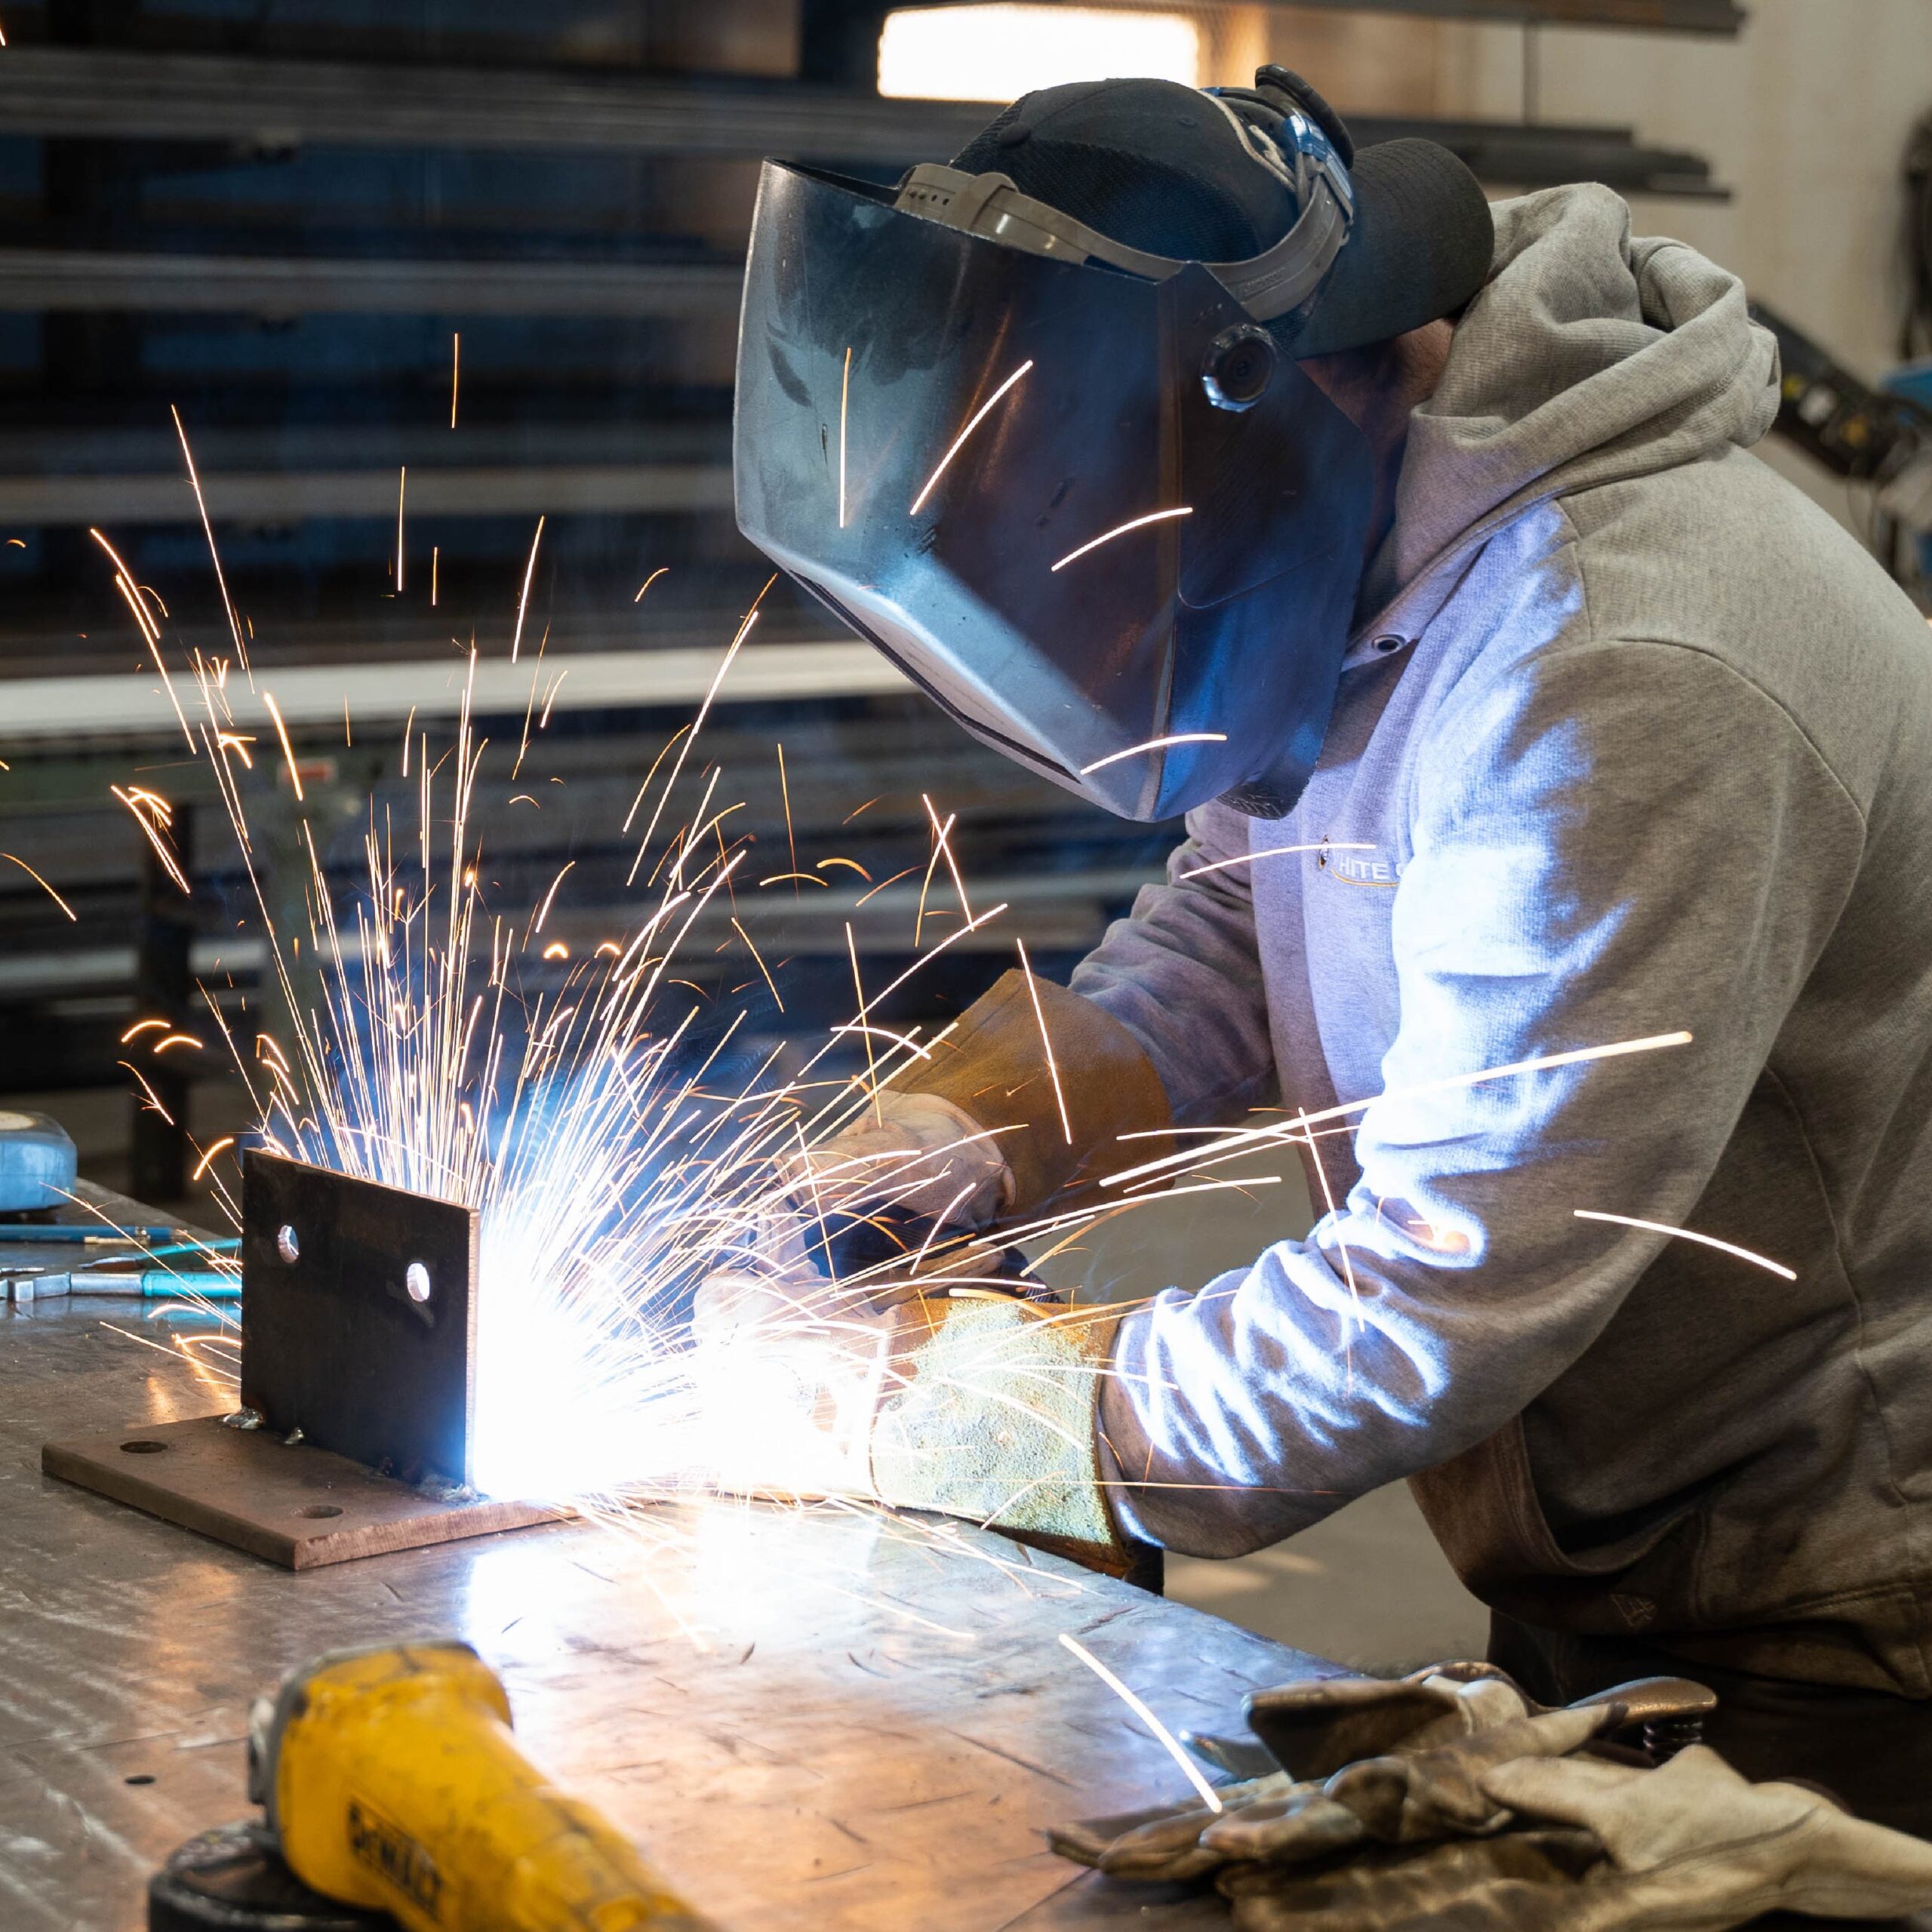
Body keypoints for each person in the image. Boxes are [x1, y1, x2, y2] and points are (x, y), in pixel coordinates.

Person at [715, 67, 1932, 1829]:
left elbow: (1437, 1290)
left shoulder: (1616, 670)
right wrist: (957, 1135)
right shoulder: (1373, 551)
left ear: (1282, 386)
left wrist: (954, 1415)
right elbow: (1244, 906)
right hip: (1624, 1573)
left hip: (1853, 1627)